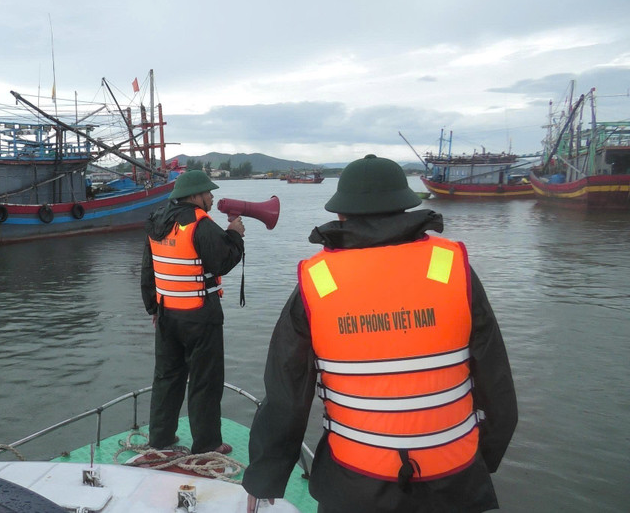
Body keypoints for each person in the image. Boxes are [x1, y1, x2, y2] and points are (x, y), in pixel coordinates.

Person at [243, 154, 517, 512]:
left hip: (355, 485)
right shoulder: (452, 269)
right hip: (455, 481)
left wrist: (266, 476)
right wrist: (481, 463)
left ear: (341, 214)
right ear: (406, 207)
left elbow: (287, 394)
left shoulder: (318, 282)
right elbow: (496, 385)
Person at [140, 170, 245, 454]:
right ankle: (208, 444)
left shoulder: (157, 220)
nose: (212, 197)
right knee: (205, 382)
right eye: (208, 192)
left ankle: (160, 438)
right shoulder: (201, 224)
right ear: (196, 195)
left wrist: (152, 307)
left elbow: (148, 269)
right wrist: (234, 235)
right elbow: (222, 262)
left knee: (166, 378)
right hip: (200, 316)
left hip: (166, 315)